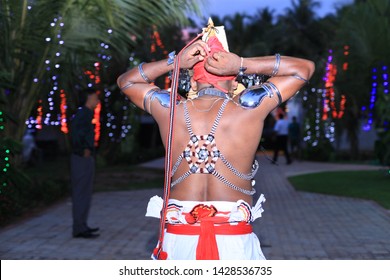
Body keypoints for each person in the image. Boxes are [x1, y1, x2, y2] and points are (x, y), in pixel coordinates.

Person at [117, 21, 314, 260]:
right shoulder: (249, 108)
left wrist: (174, 62)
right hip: (233, 240)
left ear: (191, 81)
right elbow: (303, 69)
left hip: (178, 239)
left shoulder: (170, 108)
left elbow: (126, 82)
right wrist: (242, 64)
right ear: (234, 82)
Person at [70, 88, 100, 238]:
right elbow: (76, 134)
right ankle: (79, 228)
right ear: (89, 98)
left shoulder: (86, 114)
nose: (97, 101)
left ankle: (82, 225)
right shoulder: (83, 114)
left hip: (84, 157)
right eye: (95, 97)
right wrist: (83, 150)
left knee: (85, 192)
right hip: (81, 158)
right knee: (81, 192)